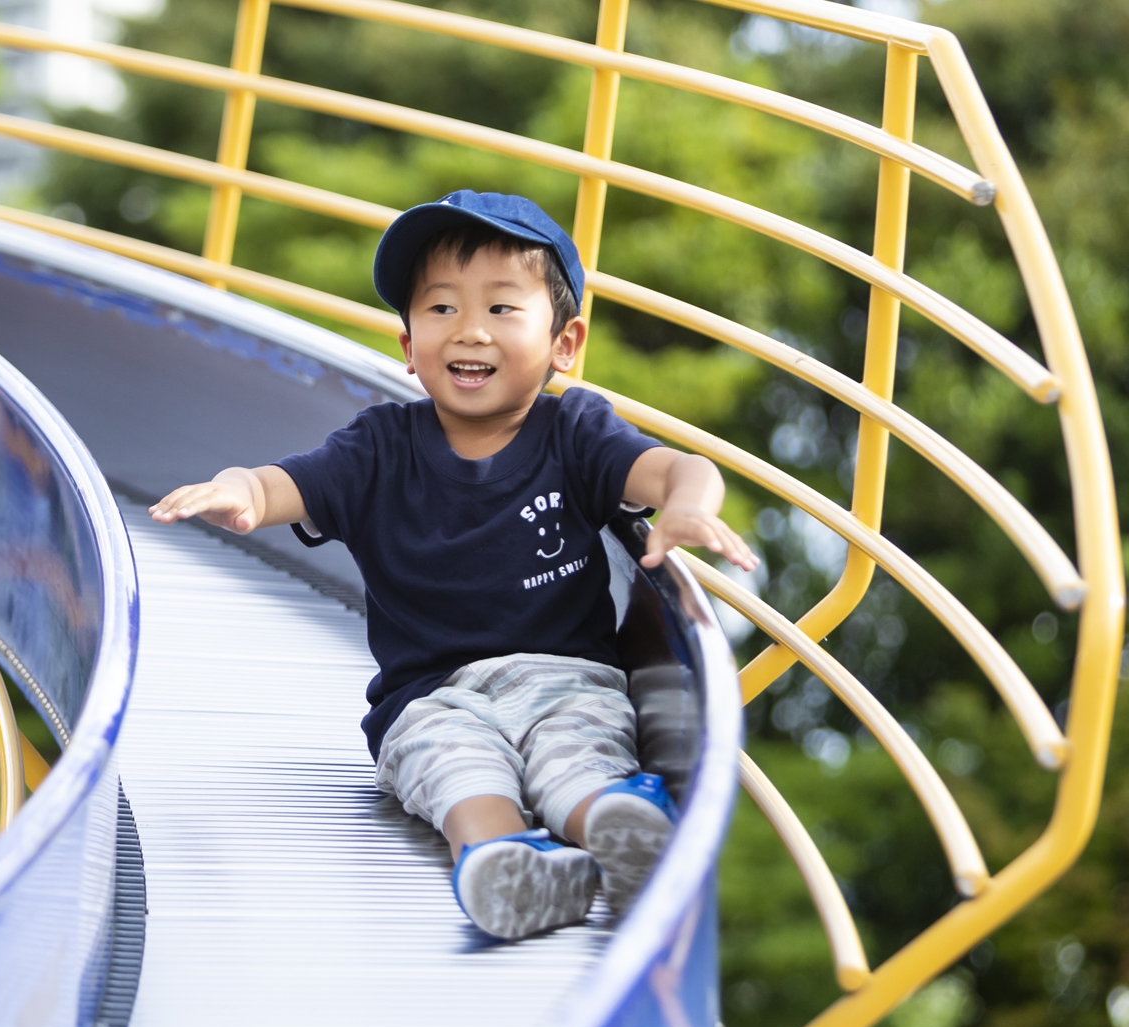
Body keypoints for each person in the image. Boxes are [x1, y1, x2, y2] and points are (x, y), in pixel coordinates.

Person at [149, 191, 757, 941]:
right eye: (441, 309)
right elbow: (286, 484)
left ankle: (613, 828)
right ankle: (504, 860)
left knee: (576, 754)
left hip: (565, 678)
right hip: (430, 697)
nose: (470, 330)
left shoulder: (575, 433)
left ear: (565, 343)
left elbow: (676, 470)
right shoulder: (377, 448)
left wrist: (689, 508)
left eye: (503, 309)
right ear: (408, 345)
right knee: (451, 769)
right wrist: (239, 490)